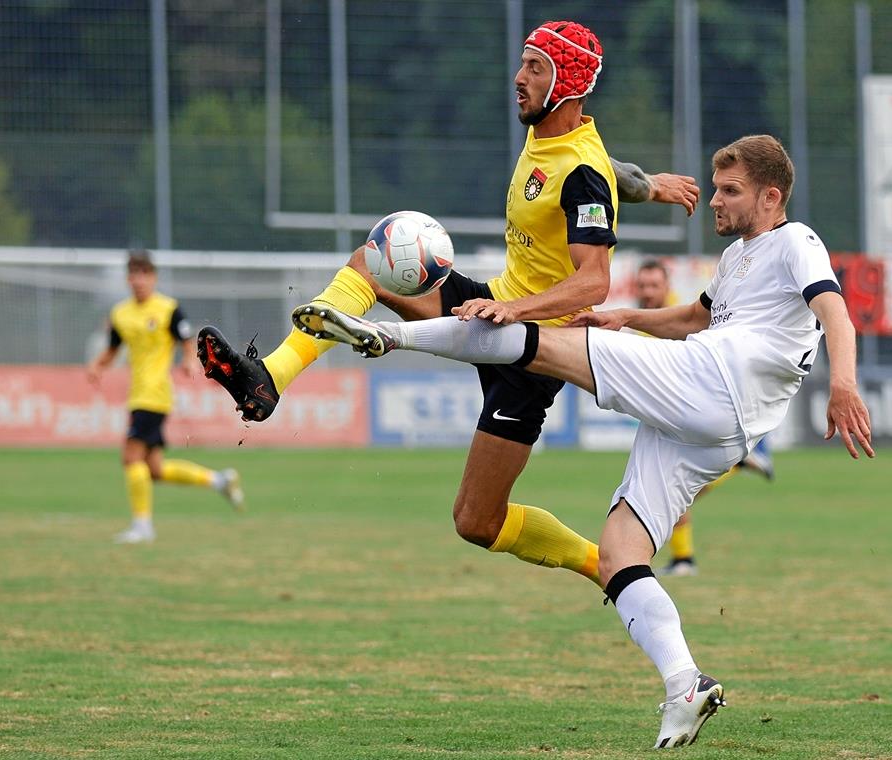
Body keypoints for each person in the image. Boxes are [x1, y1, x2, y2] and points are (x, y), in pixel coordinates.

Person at [293, 134, 875, 748]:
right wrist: (626, 318)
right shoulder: (735, 261)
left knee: (529, 336)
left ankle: (386, 338)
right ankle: (684, 685)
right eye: (717, 188)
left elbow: (835, 310)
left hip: (714, 382)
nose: (716, 201)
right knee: (621, 551)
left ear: (771, 196)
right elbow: (695, 319)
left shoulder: (795, 240)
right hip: (723, 428)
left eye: (731, 191)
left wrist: (843, 384)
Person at [197, 21, 699, 587]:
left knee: (476, 521)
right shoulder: (559, 139)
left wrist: (517, 312)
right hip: (490, 308)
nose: (519, 77)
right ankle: (267, 381)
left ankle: (606, 567)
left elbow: (594, 282)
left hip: (535, 352)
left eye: (536, 68)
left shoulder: (581, 171)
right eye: (523, 62)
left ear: (568, 86)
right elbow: (614, 174)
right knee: (373, 259)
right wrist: (651, 185)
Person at [86, 251, 243, 544]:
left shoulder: (169, 309)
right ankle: (220, 481)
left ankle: (142, 527)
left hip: (154, 394)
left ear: (153, 277)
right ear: (128, 278)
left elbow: (186, 341)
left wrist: (187, 360)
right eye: (133, 274)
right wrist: (97, 364)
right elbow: (113, 349)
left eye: (144, 274)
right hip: (139, 394)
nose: (138, 280)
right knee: (154, 470)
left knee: (130, 457)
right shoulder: (121, 313)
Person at [633, 259, 775, 577]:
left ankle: (678, 559)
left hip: (690, 418)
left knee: (667, 491)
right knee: (671, 492)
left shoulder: (679, 320)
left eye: (654, 285)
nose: (647, 292)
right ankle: (683, 559)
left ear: (667, 286)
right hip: (669, 420)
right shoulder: (644, 320)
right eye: (643, 285)